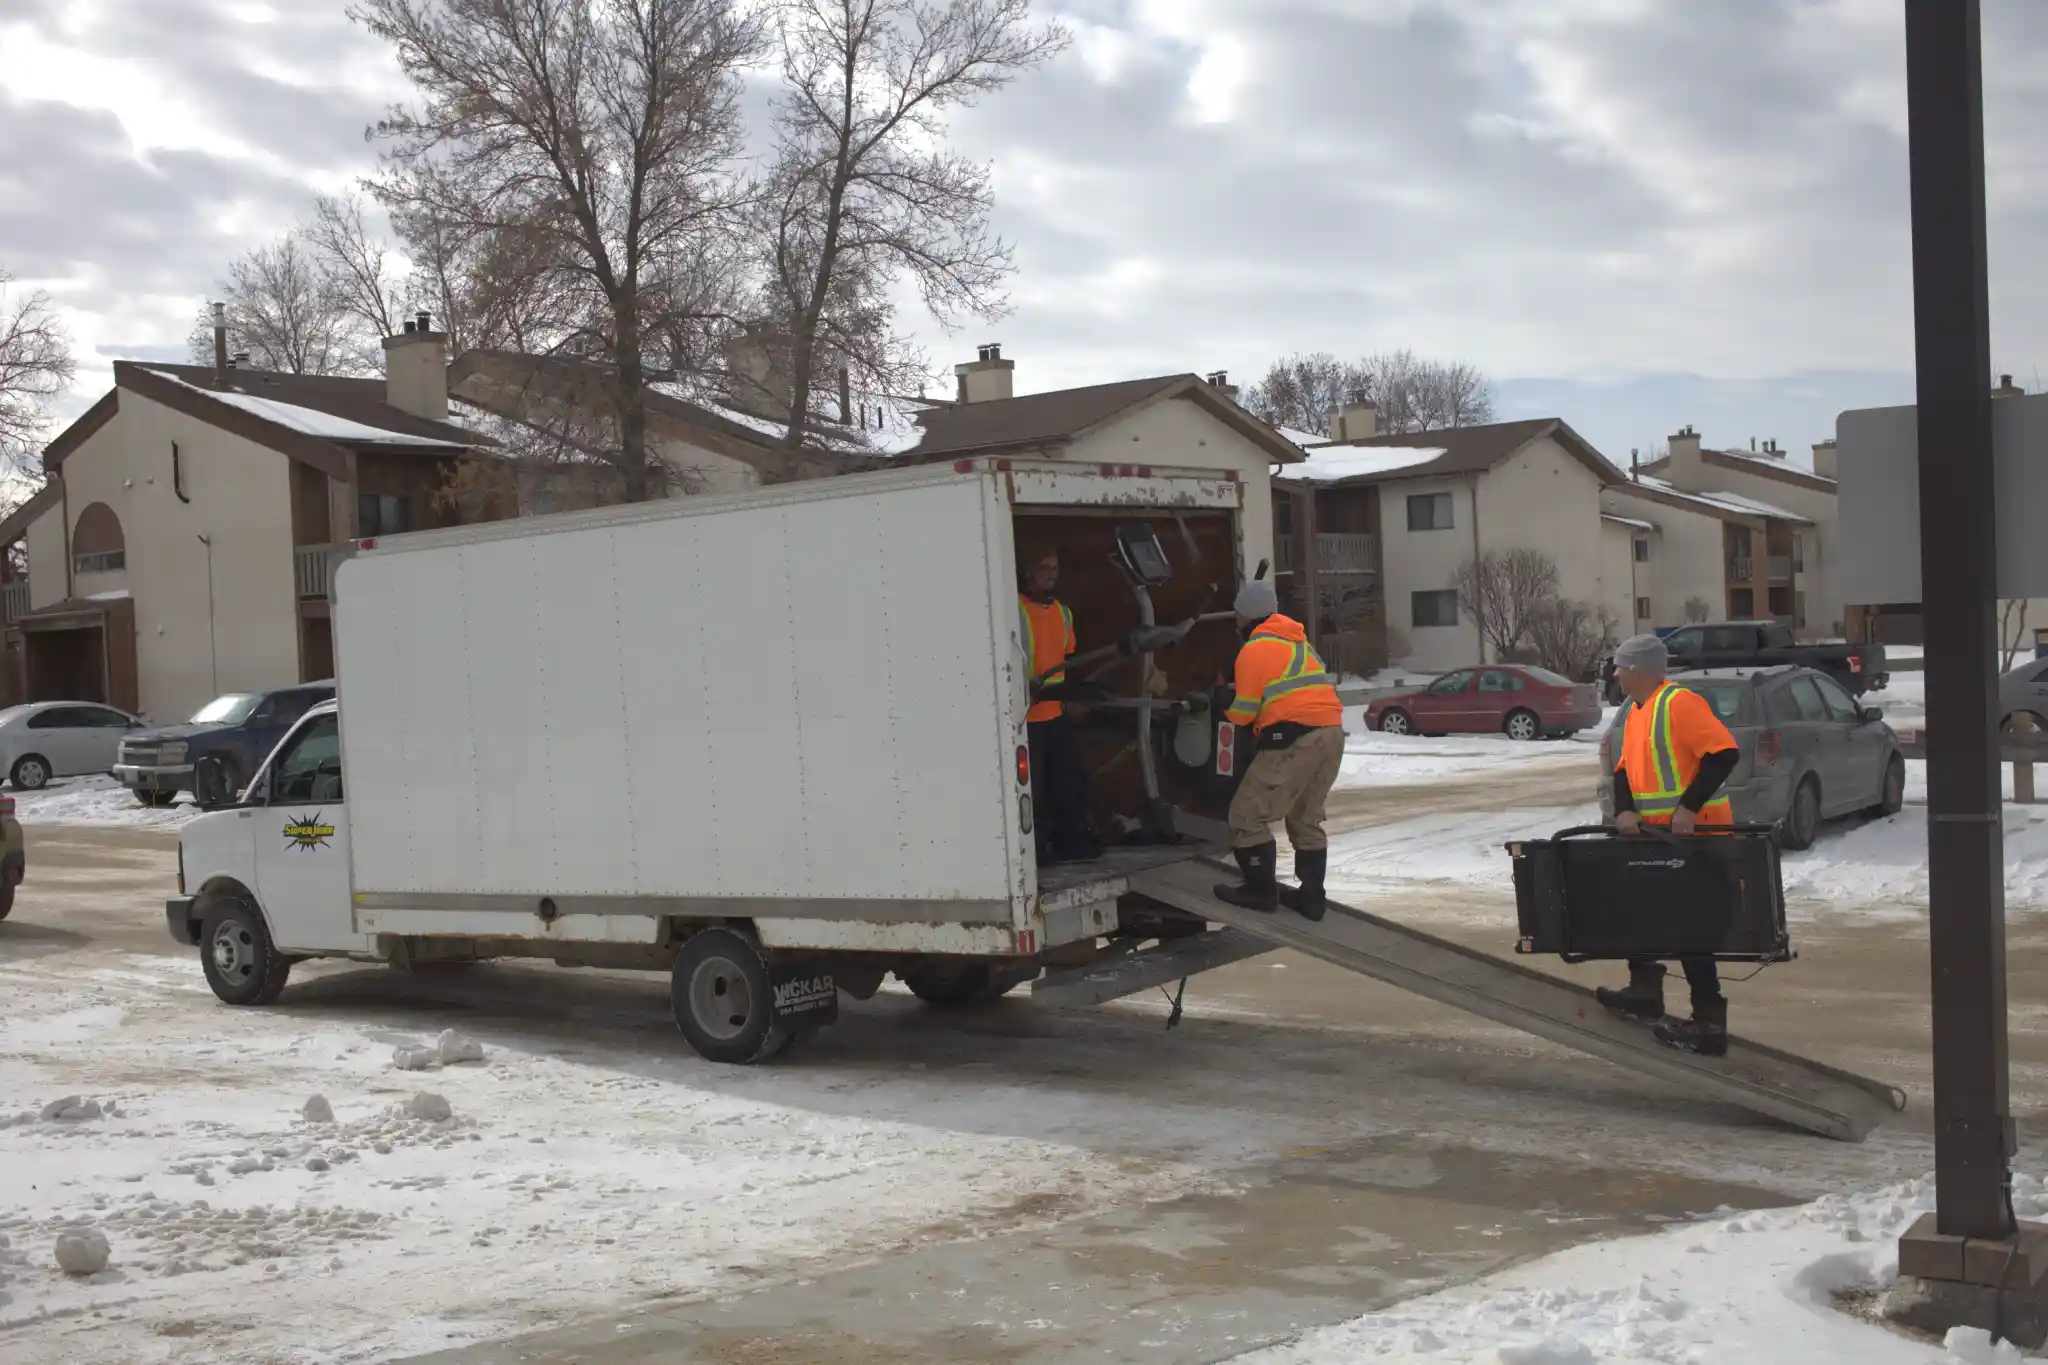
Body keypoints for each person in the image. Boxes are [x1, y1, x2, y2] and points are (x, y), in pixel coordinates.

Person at [1594, 632, 1744, 1056]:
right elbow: (1623, 770)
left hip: (1696, 838)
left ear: (1638, 669)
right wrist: (1625, 811)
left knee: (1691, 928)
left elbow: (1723, 755)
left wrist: (1688, 809)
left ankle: (1709, 1024)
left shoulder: (1679, 702)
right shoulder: (1641, 710)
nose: (1616, 674)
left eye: (1621, 666)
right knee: (1642, 911)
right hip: (1655, 839)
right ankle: (1645, 993)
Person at [1212, 579, 1345, 921]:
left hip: (1296, 739)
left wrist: (1221, 701)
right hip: (1331, 734)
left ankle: (1260, 891)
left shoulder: (1253, 650)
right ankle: (1312, 898)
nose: (1237, 625)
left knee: (1246, 815)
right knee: (1305, 814)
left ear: (1247, 616)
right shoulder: (1300, 645)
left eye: (1238, 618)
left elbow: (1242, 714)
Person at [1020, 550, 1100, 865]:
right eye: (1044, 567)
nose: (1052, 573)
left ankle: (1073, 842)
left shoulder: (1063, 614)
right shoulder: (1013, 609)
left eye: (1055, 567)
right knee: (1034, 789)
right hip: (1026, 717)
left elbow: (1068, 661)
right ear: (1028, 571)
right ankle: (1037, 851)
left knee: (1069, 781)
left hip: (1055, 714)